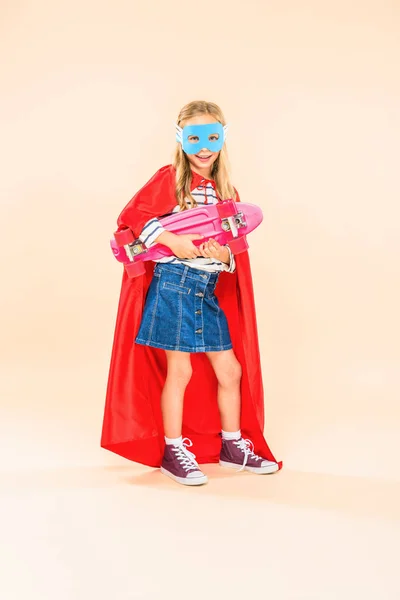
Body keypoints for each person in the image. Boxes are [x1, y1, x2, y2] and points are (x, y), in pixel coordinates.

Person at [101, 100, 282, 486]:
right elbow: (133, 219)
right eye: (195, 137)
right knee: (179, 371)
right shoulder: (170, 178)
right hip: (173, 287)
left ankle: (232, 445)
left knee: (230, 370)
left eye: (212, 137)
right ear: (181, 138)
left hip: (205, 290)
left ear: (223, 138)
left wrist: (222, 256)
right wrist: (169, 238)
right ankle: (172, 450)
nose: (203, 147)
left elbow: (232, 247)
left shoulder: (226, 191)